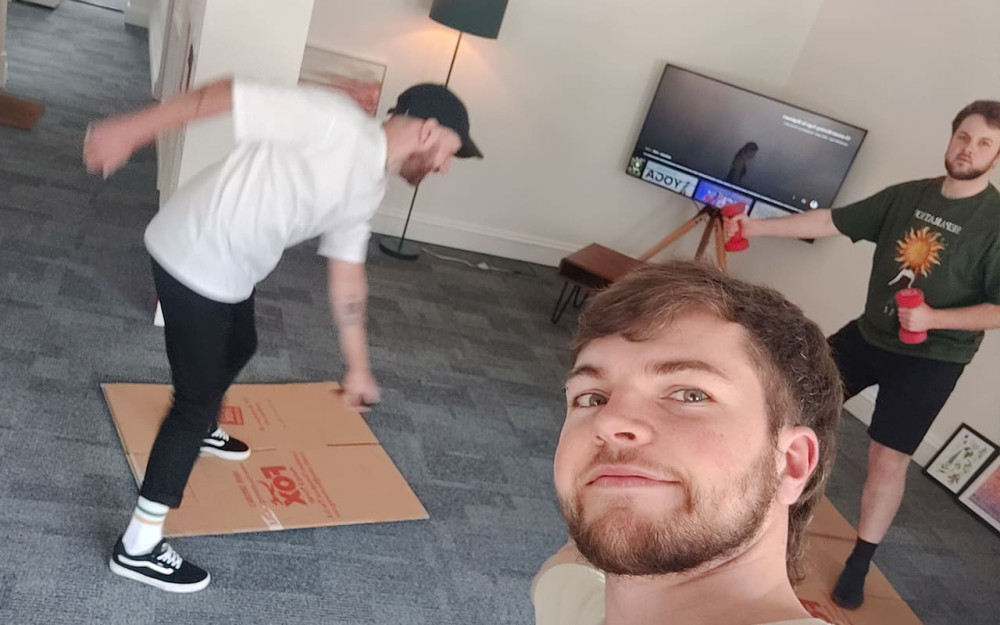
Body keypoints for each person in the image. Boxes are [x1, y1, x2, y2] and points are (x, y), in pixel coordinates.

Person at [83, 78, 482, 592]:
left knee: (243, 344)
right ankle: (137, 546)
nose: (445, 166)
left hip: (234, 269)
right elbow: (224, 95)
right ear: (429, 131)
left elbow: (346, 277)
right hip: (194, 255)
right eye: (450, 153)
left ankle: (202, 427)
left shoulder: (368, 185)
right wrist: (129, 131)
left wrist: (357, 364)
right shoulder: (332, 119)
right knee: (194, 403)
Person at [723, 100, 1000, 609]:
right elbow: (832, 220)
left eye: (984, 143)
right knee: (789, 400)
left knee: (886, 459)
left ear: (997, 154)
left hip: (933, 358)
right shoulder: (909, 196)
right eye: (964, 136)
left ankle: (860, 560)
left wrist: (935, 319)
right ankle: (753, 508)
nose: (969, 149)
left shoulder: (995, 221)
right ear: (951, 136)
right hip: (869, 335)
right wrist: (755, 227)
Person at [537, 260, 843, 625]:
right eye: (592, 398)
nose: (609, 420)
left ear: (792, 463)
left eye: (690, 394)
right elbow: (560, 573)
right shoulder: (566, 599)